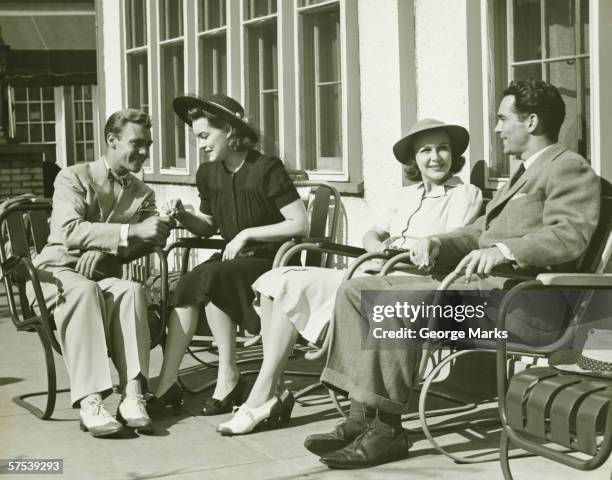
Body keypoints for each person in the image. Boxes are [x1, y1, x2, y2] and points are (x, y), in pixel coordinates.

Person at [306, 78, 602, 469]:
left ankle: (388, 431)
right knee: (356, 290)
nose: (496, 129)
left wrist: (504, 250)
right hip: (486, 298)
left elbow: (571, 235)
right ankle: (363, 415)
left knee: (393, 305)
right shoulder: (525, 172)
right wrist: (438, 243)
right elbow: (481, 230)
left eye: (502, 119)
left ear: (530, 122)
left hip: (523, 312)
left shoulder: (568, 167)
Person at [215, 118, 483, 435]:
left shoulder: (464, 193)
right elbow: (373, 233)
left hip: (414, 282)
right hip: (375, 270)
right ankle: (267, 391)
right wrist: (379, 247)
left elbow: (450, 243)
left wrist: (397, 253)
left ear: (453, 155)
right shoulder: (405, 196)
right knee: (279, 278)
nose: (435, 157)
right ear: (414, 158)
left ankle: (262, 397)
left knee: (289, 285)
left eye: (443, 149)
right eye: (425, 150)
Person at [151, 94, 308, 416]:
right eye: (197, 138)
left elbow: (300, 224)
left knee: (209, 277)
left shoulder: (265, 168)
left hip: (274, 260)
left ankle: (228, 376)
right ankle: (168, 384)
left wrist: (247, 233)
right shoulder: (208, 173)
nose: (200, 145)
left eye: (205, 136)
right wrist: (182, 215)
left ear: (230, 130)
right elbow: (208, 226)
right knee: (188, 287)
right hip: (232, 260)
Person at [28, 109, 173, 437]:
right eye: (136, 143)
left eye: (148, 144)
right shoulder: (73, 177)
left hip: (102, 279)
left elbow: (146, 241)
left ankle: (133, 395)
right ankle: (90, 401)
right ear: (112, 140)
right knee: (84, 291)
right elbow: (68, 230)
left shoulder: (143, 193)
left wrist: (147, 234)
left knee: (133, 290)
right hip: (55, 276)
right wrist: (129, 233)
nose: (144, 152)